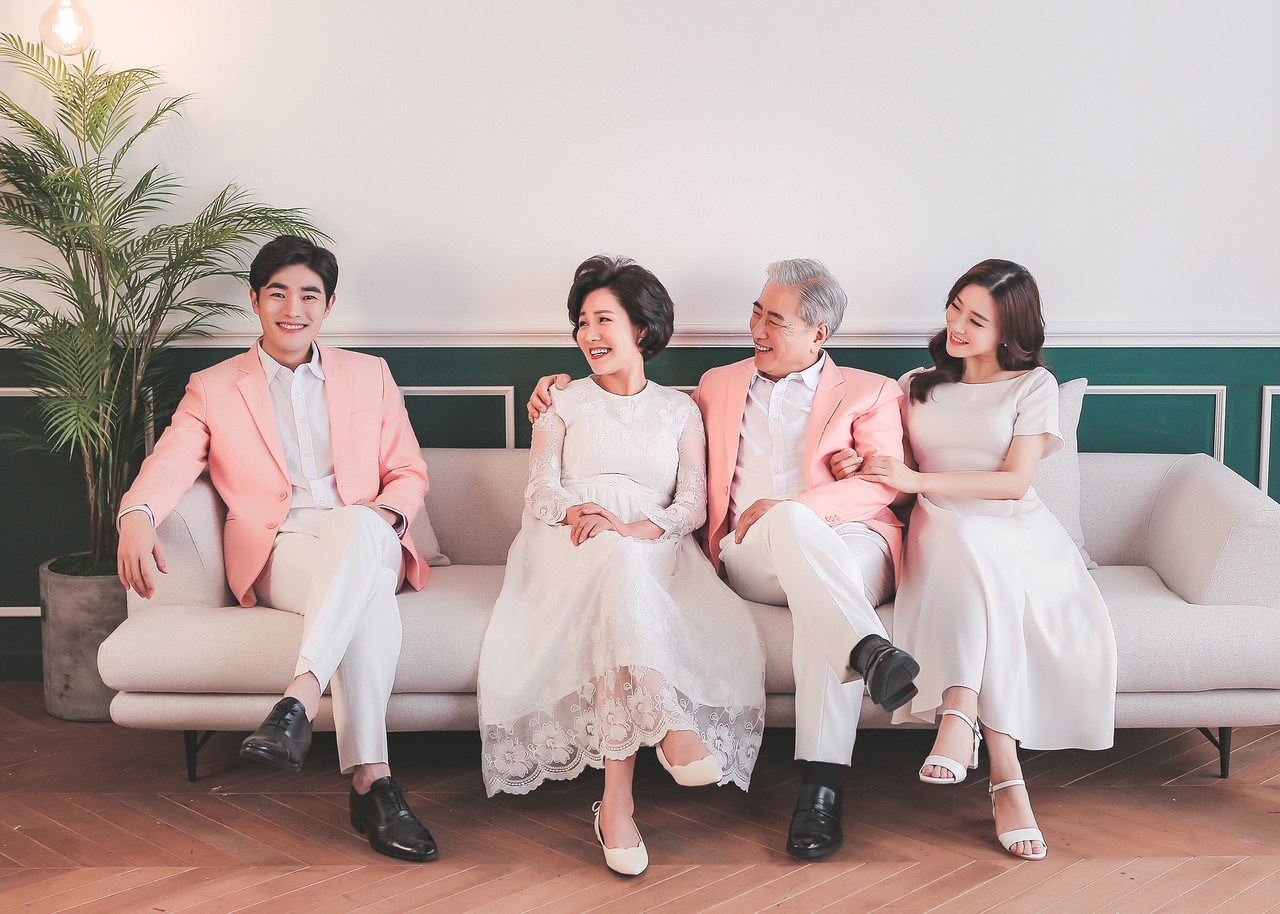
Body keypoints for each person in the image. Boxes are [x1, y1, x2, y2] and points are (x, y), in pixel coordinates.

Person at [528, 259, 920, 860]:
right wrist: (555, 384)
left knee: (816, 564)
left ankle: (820, 787)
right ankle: (867, 653)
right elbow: (633, 415)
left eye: (775, 320)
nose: (757, 330)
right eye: (755, 313)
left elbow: (883, 485)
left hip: (852, 542)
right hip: (753, 550)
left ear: (819, 333)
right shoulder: (717, 385)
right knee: (792, 533)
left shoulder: (871, 391)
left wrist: (802, 501)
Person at [117, 235, 439, 862]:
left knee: (357, 527)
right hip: (279, 548)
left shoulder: (369, 374)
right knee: (367, 596)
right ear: (255, 300)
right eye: (278, 294)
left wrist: (381, 518)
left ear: (329, 304)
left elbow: (408, 472)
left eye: (310, 295)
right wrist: (136, 513)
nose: (294, 309)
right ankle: (373, 786)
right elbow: (171, 461)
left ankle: (300, 700)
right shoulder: (214, 387)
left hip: (369, 532)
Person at [480, 255, 765, 876]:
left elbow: (692, 502)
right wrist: (579, 511)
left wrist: (637, 530)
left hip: (652, 547)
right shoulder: (561, 400)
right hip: (569, 539)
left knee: (624, 562)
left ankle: (616, 806)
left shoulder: (679, 410)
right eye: (581, 322)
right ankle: (666, 724)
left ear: (642, 327)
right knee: (611, 554)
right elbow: (540, 488)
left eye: (603, 319)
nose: (589, 335)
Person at [841, 258, 1117, 861]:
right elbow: (889, 469)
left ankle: (960, 711)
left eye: (977, 320)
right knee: (962, 543)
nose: (957, 327)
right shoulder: (917, 384)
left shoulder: (1034, 386)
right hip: (938, 528)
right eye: (955, 309)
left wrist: (917, 479)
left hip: (1016, 531)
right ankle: (1006, 781)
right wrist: (860, 465)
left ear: (1010, 332)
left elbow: (1014, 484)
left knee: (975, 550)